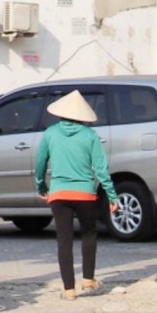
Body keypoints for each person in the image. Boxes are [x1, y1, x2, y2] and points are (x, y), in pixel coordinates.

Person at [33, 90, 115, 299]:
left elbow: (40, 163)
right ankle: (88, 280)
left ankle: (69, 290)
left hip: (59, 194)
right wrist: (112, 196)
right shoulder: (90, 135)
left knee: (64, 240)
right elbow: (101, 169)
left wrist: (41, 185)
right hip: (85, 194)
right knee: (89, 234)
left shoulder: (50, 133)